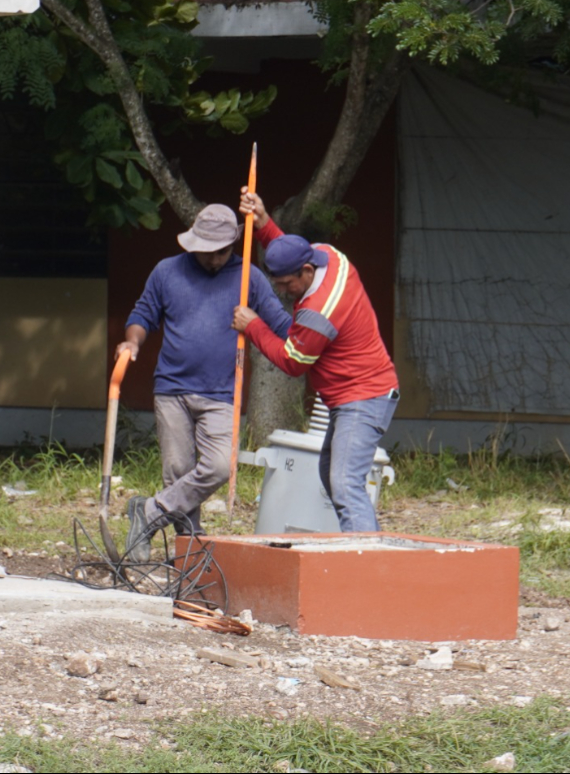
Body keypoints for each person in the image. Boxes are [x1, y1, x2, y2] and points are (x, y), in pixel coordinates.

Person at [119, 203, 291, 561]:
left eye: (221, 252)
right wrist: (132, 342)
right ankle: (190, 552)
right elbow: (142, 314)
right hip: (171, 390)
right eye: (205, 252)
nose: (213, 260)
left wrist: (259, 322)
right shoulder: (167, 272)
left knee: (217, 467)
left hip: (221, 393)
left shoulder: (249, 278)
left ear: (234, 244)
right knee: (179, 473)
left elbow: (281, 325)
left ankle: (147, 512)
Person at [231, 190, 399, 532]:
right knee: (332, 475)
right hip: (355, 394)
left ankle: (365, 561)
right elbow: (287, 250)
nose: (281, 291)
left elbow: (293, 362)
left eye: (285, 284)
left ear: (306, 272)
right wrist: (263, 222)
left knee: (345, 483)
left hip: (363, 397)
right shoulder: (330, 256)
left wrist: (253, 326)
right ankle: (362, 542)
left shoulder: (317, 312)